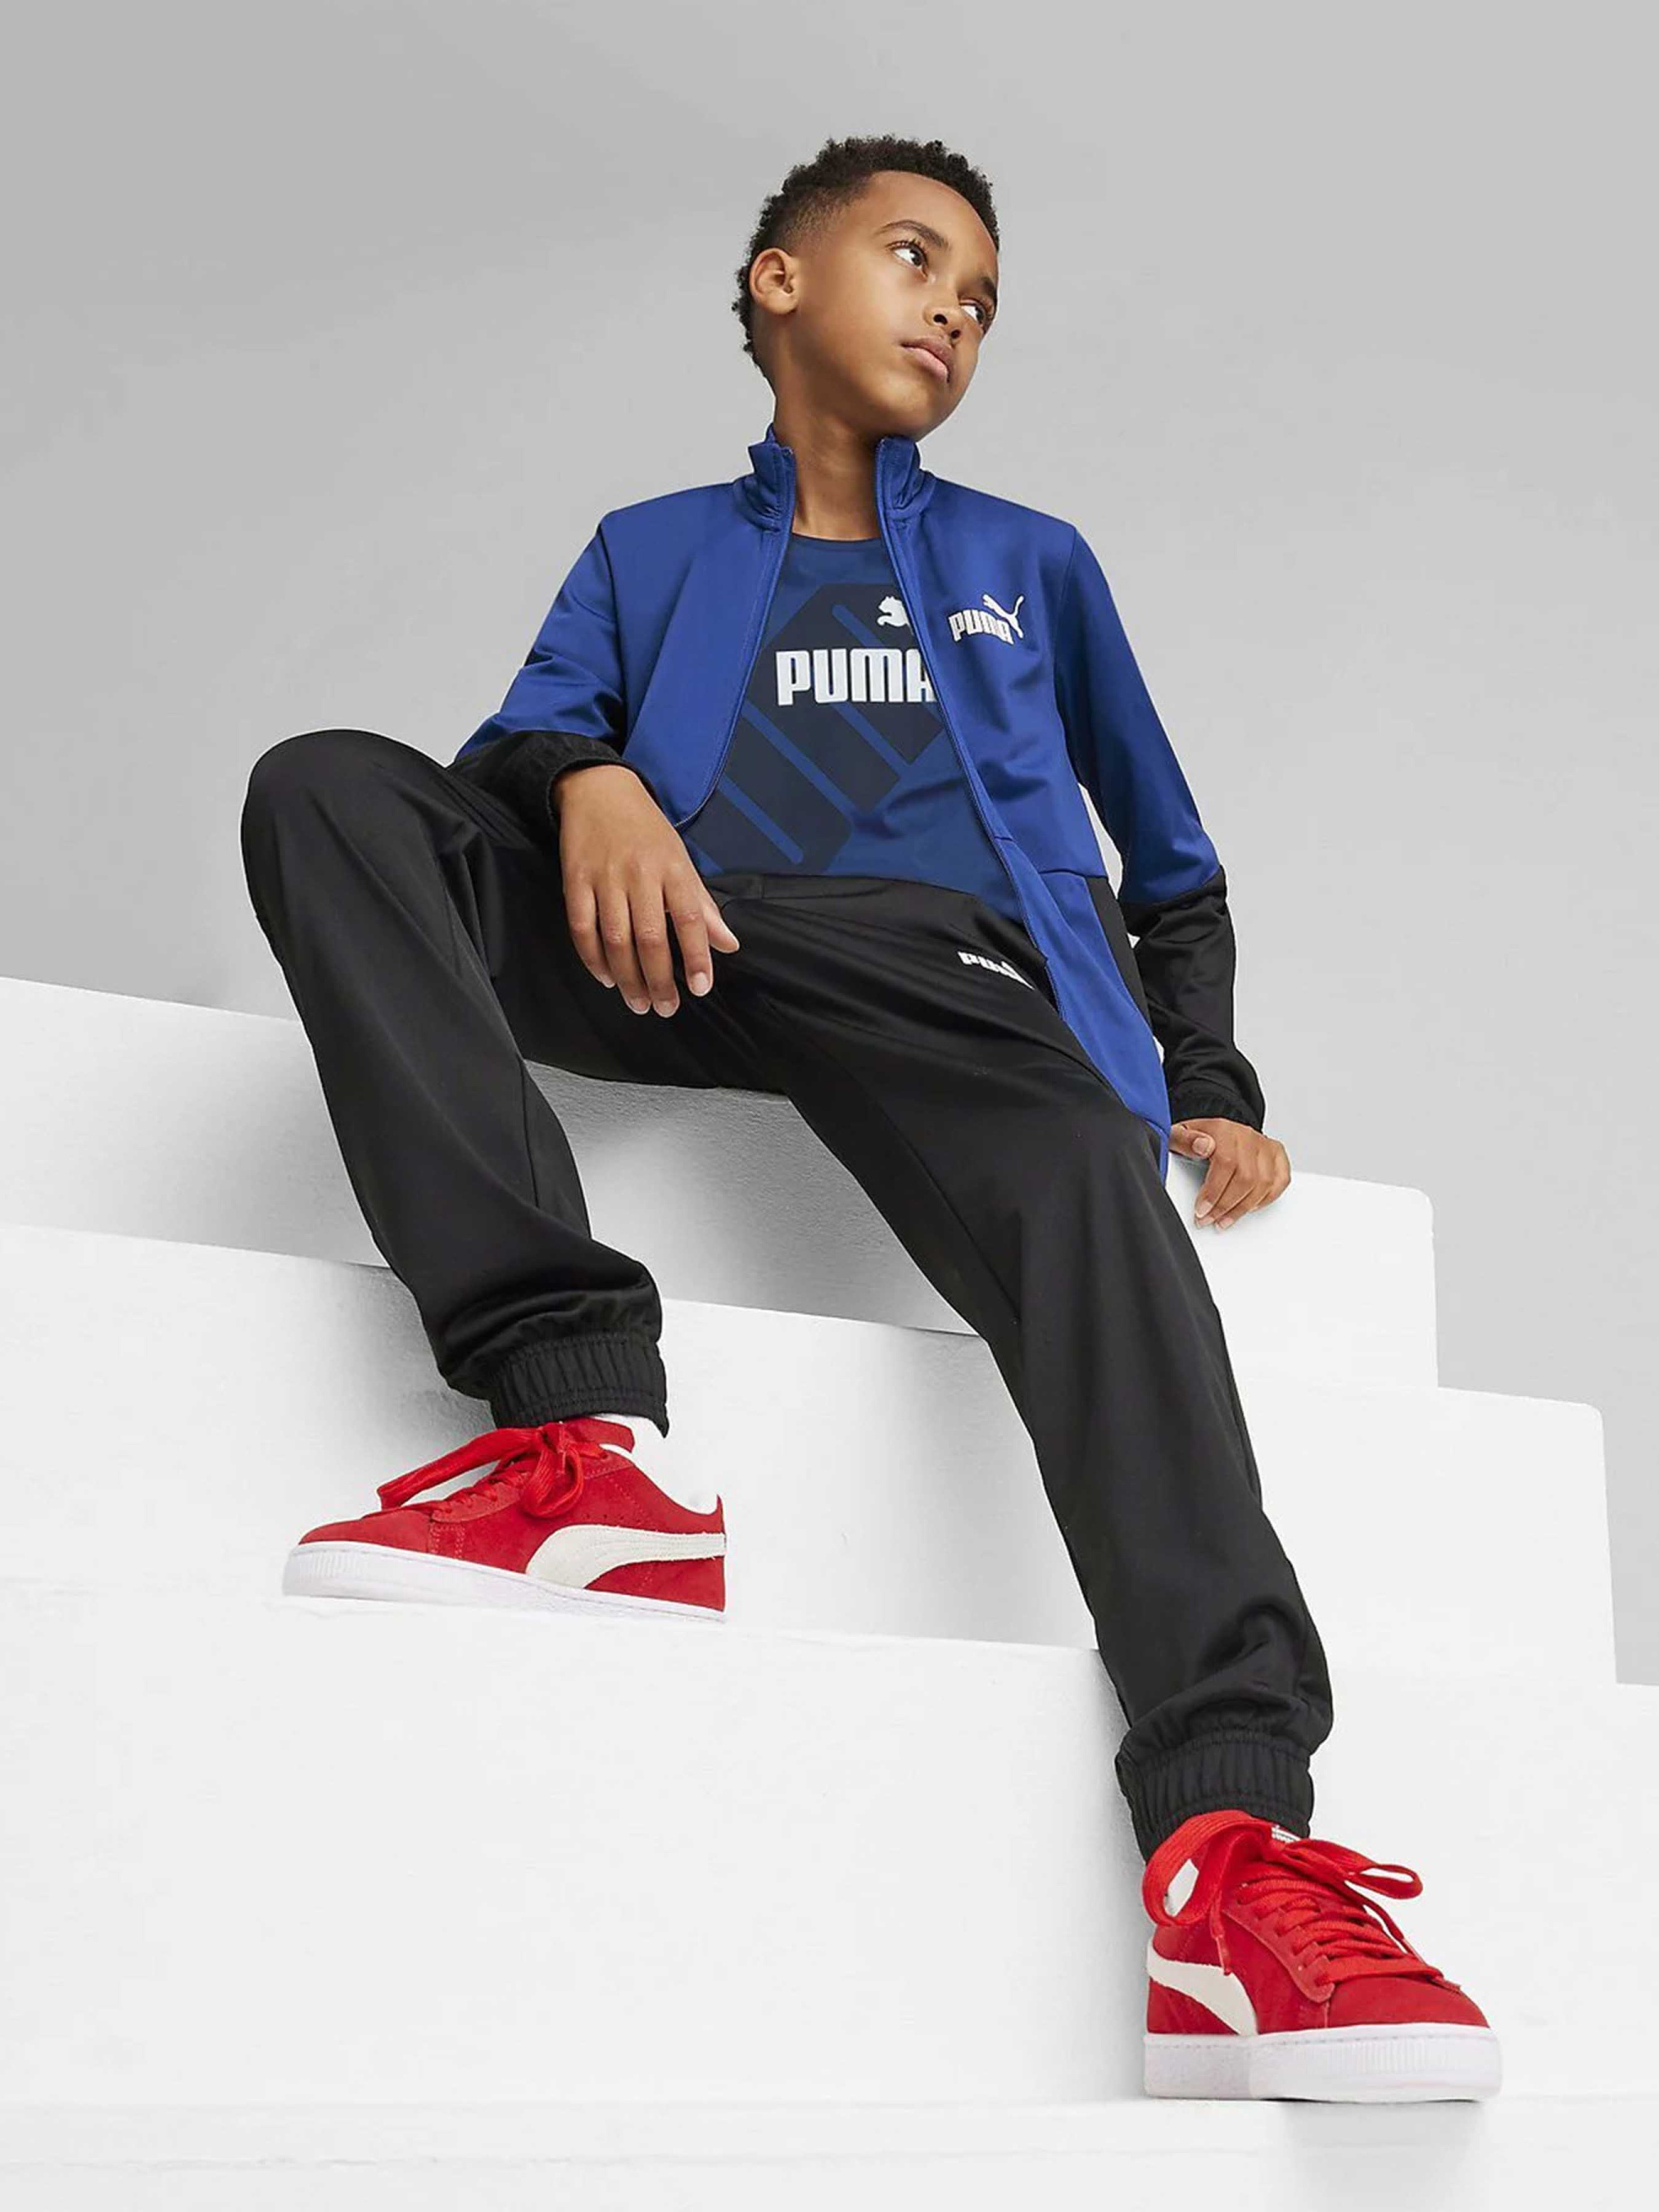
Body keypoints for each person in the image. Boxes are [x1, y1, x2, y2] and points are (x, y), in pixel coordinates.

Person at [238, 134, 1498, 2104]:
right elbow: (520, 738)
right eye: (914, 259)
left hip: (941, 978)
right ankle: (577, 1439)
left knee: (1085, 1199)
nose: (951, 312)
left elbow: (1168, 864)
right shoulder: (650, 545)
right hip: (668, 935)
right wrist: (587, 780)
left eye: (979, 297)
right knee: (328, 785)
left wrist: (1204, 1083)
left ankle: (1234, 1853)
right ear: (778, 281)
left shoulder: (1027, 564)